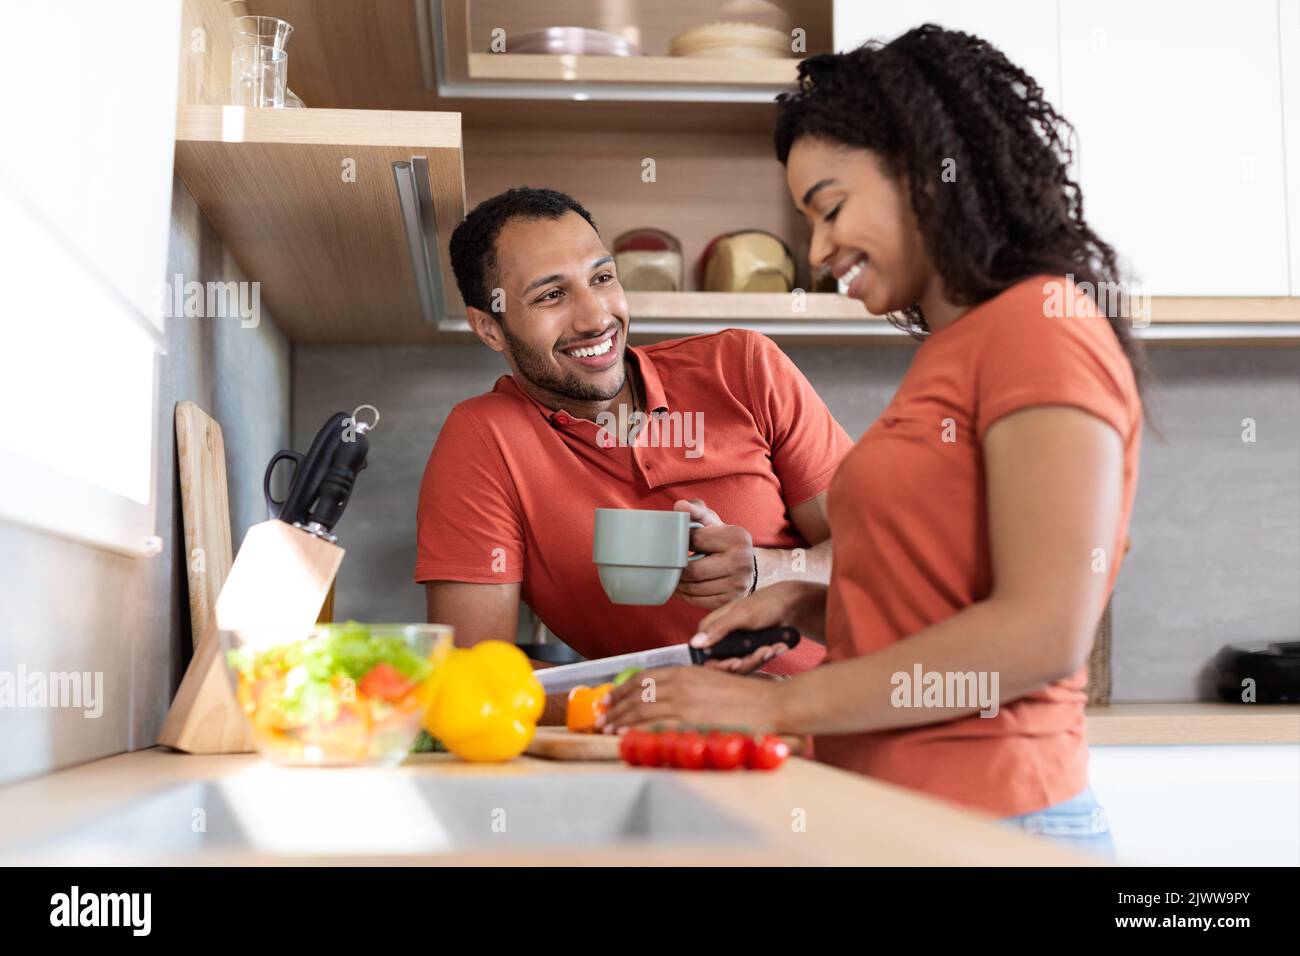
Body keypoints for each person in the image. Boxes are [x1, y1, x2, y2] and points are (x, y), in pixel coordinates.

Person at [602, 25, 1146, 858]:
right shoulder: (959, 349)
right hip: (898, 821)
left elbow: (1042, 631)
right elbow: (942, 595)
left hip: (992, 822)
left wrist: (774, 708)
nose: (818, 251)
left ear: (926, 170)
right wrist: (809, 601)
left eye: (829, 207)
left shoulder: (1042, 329)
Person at [416, 187, 853, 722]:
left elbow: (889, 563)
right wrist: (665, 703)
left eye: (602, 278)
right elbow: (469, 674)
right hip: (679, 751)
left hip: (856, 713)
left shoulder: (743, 367)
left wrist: (764, 570)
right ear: (489, 327)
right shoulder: (484, 441)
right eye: (551, 296)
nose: (595, 318)